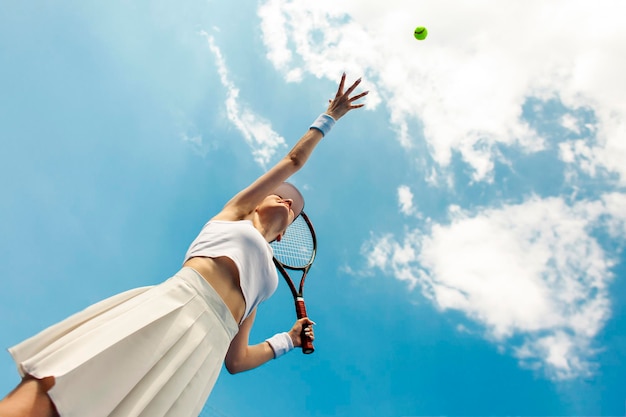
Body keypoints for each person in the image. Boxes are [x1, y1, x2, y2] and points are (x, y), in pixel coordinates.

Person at [0, 73, 368, 417]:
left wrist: (286, 340)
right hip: (173, 306)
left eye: (293, 208)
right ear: (257, 202)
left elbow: (236, 360)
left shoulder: (267, 281)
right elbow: (293, 160)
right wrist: (329, 117)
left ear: (286, 233)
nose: (288, 203)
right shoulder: (233, 214)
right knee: (60, 391)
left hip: (202, 357)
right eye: (281, 197)